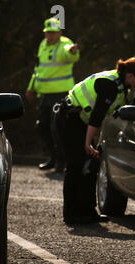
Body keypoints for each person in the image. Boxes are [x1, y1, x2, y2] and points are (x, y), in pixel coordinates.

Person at [55, 57, 135, 225]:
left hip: (81, 122)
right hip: (69, 120)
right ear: (130, 76)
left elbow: (115, 111)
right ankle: (70, 214)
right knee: (76, 166)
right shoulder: (111, 85)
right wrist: (88, 143)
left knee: (90, 166)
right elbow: (97, 117)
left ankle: (88, 211)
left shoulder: (121, 87)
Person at [26, 17, 80, 172]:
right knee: (42, 127)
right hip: (44, 93)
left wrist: (72, 51)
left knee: (57, 128)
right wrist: (31, 87)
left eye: (53, 32)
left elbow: (70, 53)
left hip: (60, 94)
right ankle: (54, 157)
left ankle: (62, 162)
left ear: (60, 33)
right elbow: (38, 69)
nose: (50, 35)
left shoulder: (64, 43)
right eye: (47, 32)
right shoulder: (42, 44)